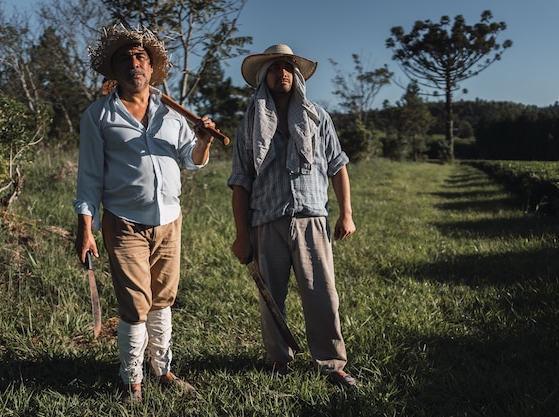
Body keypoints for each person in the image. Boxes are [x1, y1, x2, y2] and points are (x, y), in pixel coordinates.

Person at [73, 24, 216, 402]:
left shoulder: (170, 114)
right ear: (113, 70)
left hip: (169, 220)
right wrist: (85, 228)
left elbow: (192, 160)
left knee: (163, 299)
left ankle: (162, 369)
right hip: (123, 222)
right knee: (136, 305)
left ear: (152, 68)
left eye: (141, 57)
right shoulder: (99, 116)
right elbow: (88, 177)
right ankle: (131, 380)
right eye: (125, 58)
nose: (134, 63)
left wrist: (201, 140)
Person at [228, 44, 357, 387]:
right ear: (263, 78)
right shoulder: (250, 124)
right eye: (274, 68)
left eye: (287, 67)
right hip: (267, 220)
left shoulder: (317, 116)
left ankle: (332, 363)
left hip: (311, 216)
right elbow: (240, 182)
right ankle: (279, 362)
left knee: (322, 293)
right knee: (272, 296)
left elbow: (337, 166)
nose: (281, 73)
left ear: (296, 75)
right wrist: (242, 235)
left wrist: (346, 213)